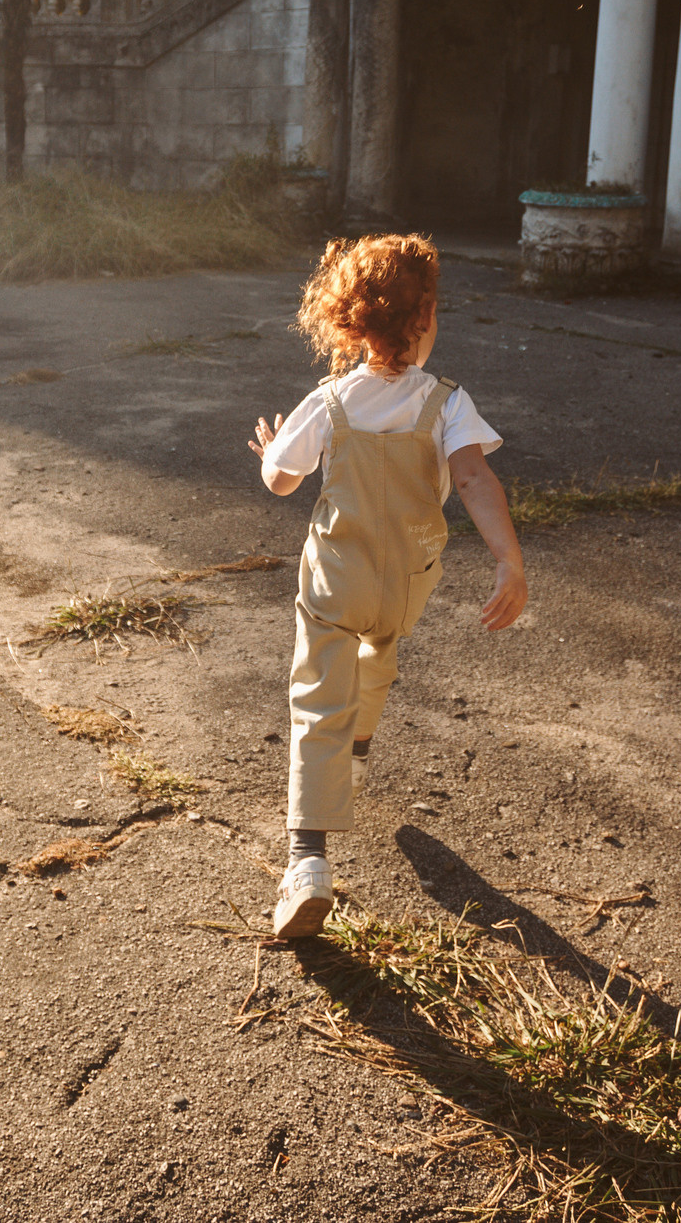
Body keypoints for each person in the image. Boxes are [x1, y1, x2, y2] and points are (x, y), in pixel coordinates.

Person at [247, 233, 527, 940]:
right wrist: (508, 560)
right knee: (381, 652)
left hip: (335, 578)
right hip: (406, 582)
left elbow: (280, 480)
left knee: (317, 697)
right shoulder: (447, 403)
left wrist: (274, 454)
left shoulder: (330, 399)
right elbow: (473, 479)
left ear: (349, 323)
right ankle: (362, 741)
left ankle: (307, 859)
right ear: (425, 313)